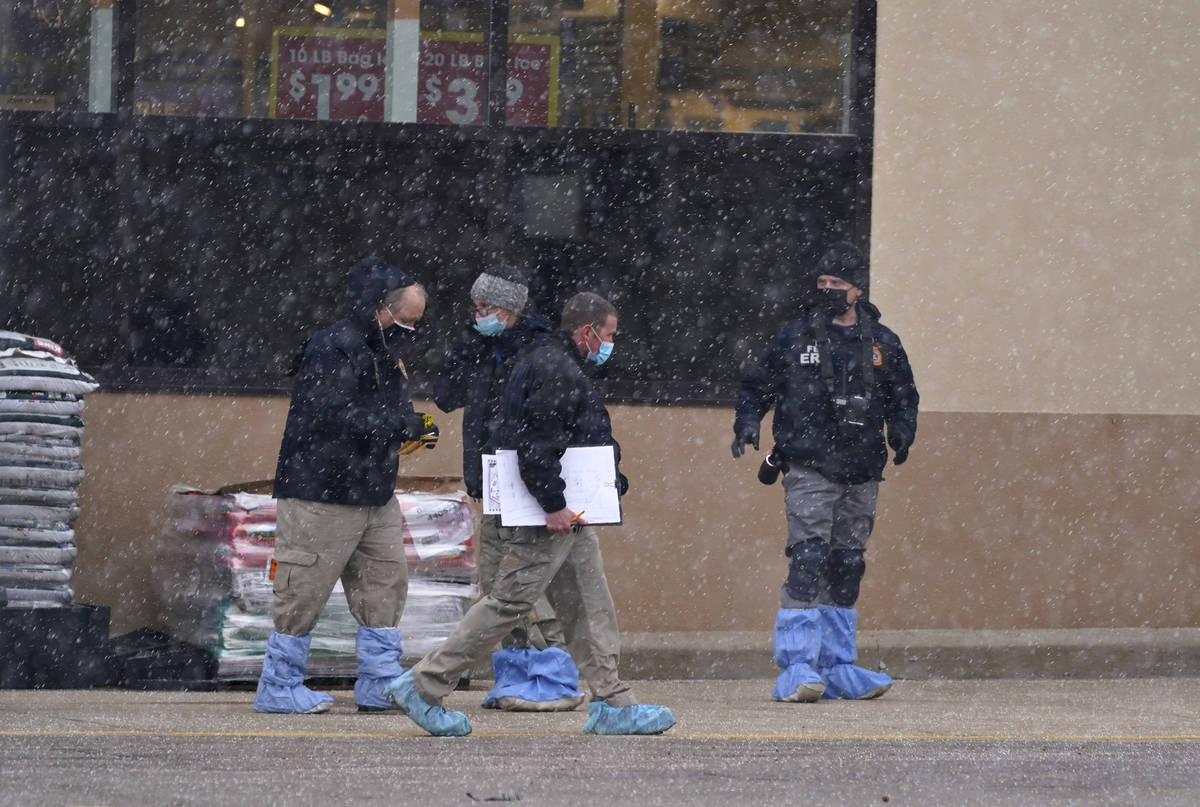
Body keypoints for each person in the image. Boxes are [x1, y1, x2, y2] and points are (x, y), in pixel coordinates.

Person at [383, 292, 676, 736]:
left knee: (589, 603)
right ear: (587, 331)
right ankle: (424, 685)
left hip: (570, 514)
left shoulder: (552, 363)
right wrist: (553, 504)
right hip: (548, 515)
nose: (611, 343)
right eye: (609, 335)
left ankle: (612, 700)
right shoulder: (554, 369)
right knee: (509, 603)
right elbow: (534, 445)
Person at [732, 242, 918, 703]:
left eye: (838, 284)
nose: (829, 291)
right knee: (808, 559)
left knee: (848, 563)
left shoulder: (883, 342)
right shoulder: (797, 336)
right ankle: (797, 666)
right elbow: (757, 383)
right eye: (822, 285)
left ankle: (839, 666)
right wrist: (748, 420)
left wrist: (902, 429)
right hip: (809, 464)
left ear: (858, 289)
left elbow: (903, 394)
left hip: (862, 467)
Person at [254, 256, 440, 714]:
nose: (411, 330)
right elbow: (334, 416)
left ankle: (380, 681)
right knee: (303, 587)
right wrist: (401, 425)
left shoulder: (385, 352)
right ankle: (278, 684)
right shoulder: (331, 348)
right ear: (381, 307)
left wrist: (412, 428)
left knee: (384, 584)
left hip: (374, 492)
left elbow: (382, 414)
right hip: (321, 493)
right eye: (407, 320)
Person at [433, 265, 585, 712]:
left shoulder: (537, 351)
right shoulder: (483, 348)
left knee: (526, 585)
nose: (479, 316)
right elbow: (445, 394)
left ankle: (554, 676)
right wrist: (470, 342)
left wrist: (547, 491)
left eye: (486, 309)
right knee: (499, 584)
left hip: (525, 483)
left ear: (511, 309)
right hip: (489, 481)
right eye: (475, 309)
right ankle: (515, 679)